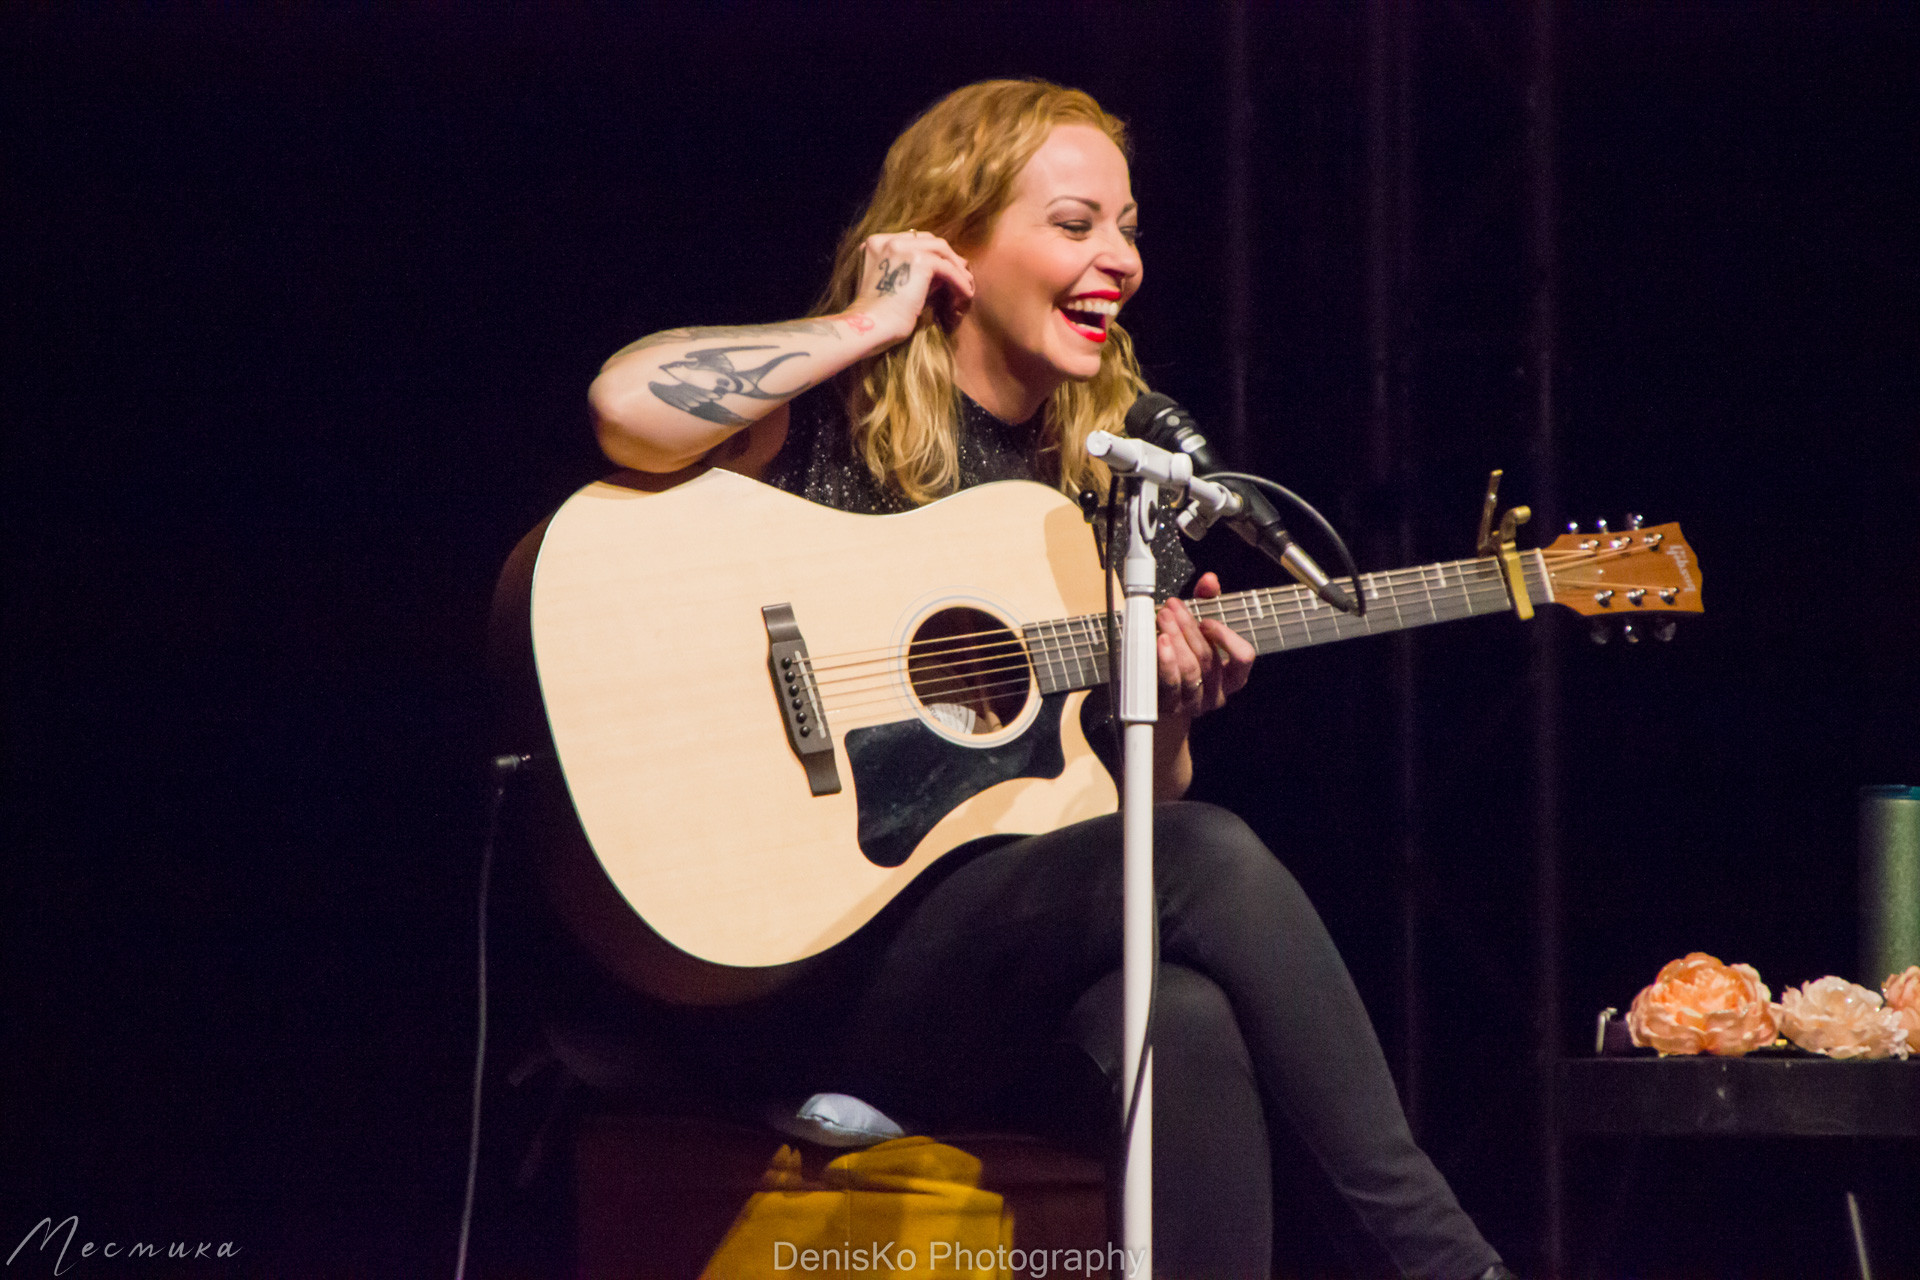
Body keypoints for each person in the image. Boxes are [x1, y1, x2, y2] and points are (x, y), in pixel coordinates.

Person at [587, 79, 1513, 1280]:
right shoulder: (833, 407)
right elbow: (626, 404)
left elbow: (1131, 825)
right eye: (1076, 225)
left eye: (1128, 227)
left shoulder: (1114, 477)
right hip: (801, 971)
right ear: (954, 241)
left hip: (980, 975)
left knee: (1179, 1015)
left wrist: (1168, 714)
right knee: (1216, 854)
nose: (1118, 260)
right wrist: (868, 322)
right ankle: (1455, 1264)